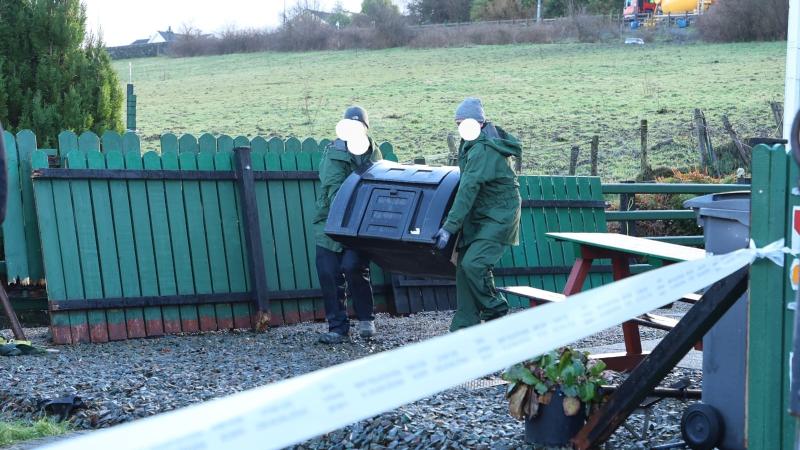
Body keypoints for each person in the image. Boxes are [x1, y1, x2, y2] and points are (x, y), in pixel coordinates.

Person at [433, 97, 522, 332]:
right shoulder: (473, 143)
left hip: (499, 216)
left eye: (464, 122)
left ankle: (496, 310)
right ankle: (465, 326)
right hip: (482, 215)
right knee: (463, 267)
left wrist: (449, 227)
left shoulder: (484, 148)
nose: (460, 127)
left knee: (474, 264)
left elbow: (468, 188)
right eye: (458, 123)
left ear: (479, 123)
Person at [313, 106, 383, 344]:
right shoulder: (333, 153)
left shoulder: (374, 153)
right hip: (330, 221)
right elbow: (334, 188)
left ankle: (366, 319)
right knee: (328, 273)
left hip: (359, 225)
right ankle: (337, 328)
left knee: (354, 267)